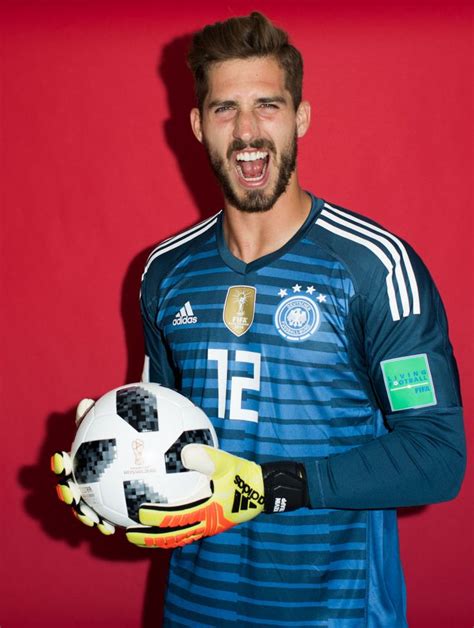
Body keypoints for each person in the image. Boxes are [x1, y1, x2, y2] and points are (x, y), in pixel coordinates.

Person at [52, 12, 466, 627]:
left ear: (300, 116)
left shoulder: (374, 267)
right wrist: (110, 476)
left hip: (338, 614)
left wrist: (274, 484)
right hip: (196, 609)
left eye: (267, 105)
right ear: (197, 126)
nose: (247, 132)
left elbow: (438, 455)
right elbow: (165, 430)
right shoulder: (165, 274)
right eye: (225, 110)